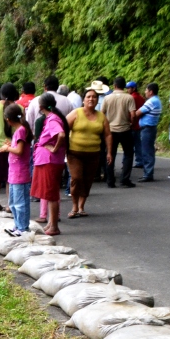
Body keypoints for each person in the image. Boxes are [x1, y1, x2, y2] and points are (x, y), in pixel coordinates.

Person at [65, 88, 111, 217]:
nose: (91, 99)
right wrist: (62, 146)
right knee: (76, 178)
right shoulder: (76, 113)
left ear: (97, 100)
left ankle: (81, 206)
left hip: (93, 153)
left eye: (94, 97)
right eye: (88, 97)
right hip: (75, 153)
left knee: (87, 180)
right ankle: (74, 206)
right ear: (83, 100)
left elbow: (107, 135)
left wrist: (109, 152)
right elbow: (63, 128)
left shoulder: (101, 116)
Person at [31, 93, 67, 236]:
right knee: (49, 192)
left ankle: (54, 226)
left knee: (51, 193)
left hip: (50, 160)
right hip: (48, 160)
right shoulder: (51, 118)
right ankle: (51, 223)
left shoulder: (52, 119)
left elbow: (61, 134)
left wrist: (54, 148)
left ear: (40, 107)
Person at [0, 103, 33, 236]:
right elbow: (18, 147)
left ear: (8, 120)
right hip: (14, 173)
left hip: (20, 173)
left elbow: (19, 150)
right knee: (13, 202)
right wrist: (9, 145)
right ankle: (17, 225)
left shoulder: (21, 130)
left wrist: (8, 148)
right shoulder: (19, 131)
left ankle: (23, 228)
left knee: (20, 203)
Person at [101, 76, 137, 187]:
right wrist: (131, 123)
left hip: (111, 130)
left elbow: (102, 114)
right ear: (124, 86)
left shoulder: (107, 98)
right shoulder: (129, 98)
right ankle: (125, 179)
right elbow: (133, 115)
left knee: (110, 154)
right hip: (125, 129)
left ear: (114, 86)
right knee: (128, 154)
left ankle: (110, 180)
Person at [136, 83, 162, 182]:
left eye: (146, 90)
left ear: (151, 91)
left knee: (147, 151)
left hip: (148, 128)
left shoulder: (152, 101)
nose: (145, 92)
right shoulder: (156, 100)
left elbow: (138, 112)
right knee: (148, 149)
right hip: (150, 128)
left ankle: (148, 174)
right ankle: (148, 173)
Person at [127, 81, 146, 169]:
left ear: (133, 88)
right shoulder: (141, 98)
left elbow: (131, 112)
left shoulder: (131, 98)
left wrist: (130, 122)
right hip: (139, 123)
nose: (127, 90)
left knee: (129, 145)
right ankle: (140, 160)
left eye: (128, 88)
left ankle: (129, 162)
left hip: (133, 123)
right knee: (138, 143)